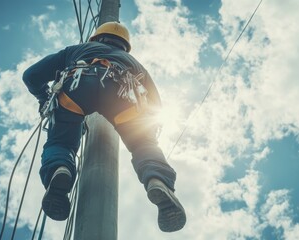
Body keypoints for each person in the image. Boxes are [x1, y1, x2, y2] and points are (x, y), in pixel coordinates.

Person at [22, 21, 186, 232]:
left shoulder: (76, 50)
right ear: (125, 45)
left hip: (77, 86)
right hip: (124, 93)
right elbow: (155, 105)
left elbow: (31, 76)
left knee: (60, 141)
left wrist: (44, 97)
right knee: (143, 144)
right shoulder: (134, 63)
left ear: (96, 37)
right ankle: (156, 179)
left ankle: (59, 169)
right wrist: (145, 130)